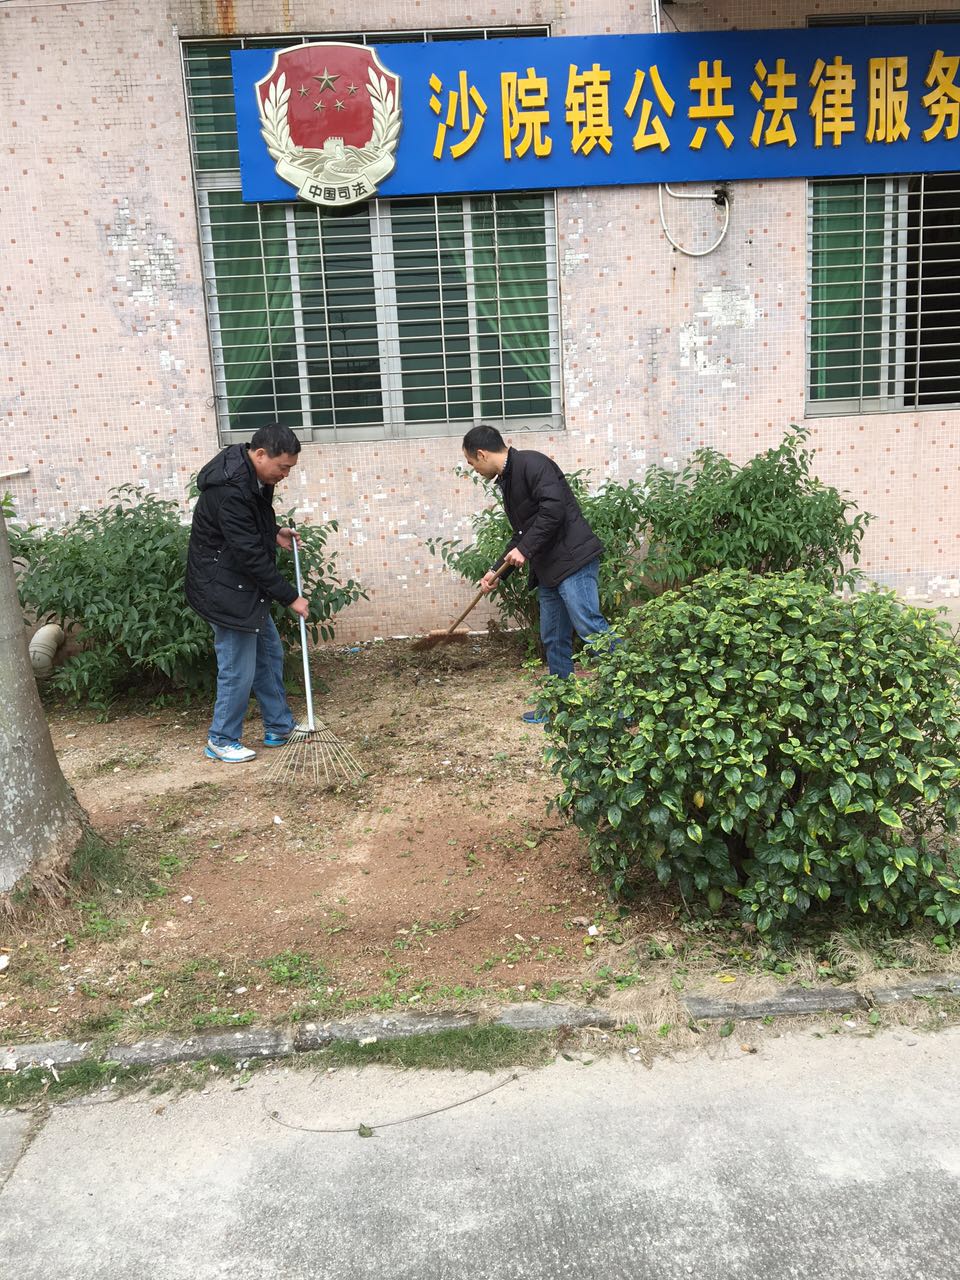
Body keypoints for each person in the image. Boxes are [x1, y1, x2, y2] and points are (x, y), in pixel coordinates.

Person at [461, 424, 613, 723]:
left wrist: (526, 548)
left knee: (591, 629)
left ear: (482, 454)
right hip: (549, 570)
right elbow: (522, 534)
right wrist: (495, 572)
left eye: (471, 462)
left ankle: (633, 697)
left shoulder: (533, 464)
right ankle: (560, 707)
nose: (473, 469)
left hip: (573, 562)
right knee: (553, 637)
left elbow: (553, 510)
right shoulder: (508, 480)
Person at [185, 423, 309, 763]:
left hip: (241, 585)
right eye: (282, 466)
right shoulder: (229, 490)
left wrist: (274, 532)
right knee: (237, 668)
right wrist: (290, 596)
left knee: (269, 654)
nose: (285, 474)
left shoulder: (253, 477)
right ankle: (221, 738)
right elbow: (249, 554)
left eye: (290, 468)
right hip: (223, 589)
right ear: (260, 454)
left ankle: (279, 726)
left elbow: (251, 522)